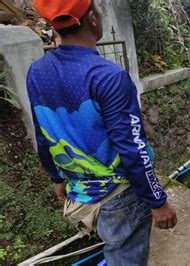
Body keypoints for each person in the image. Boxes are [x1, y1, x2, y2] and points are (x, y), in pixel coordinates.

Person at [27, 0, 177, 264]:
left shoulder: (37, 72)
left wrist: (57, 177)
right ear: (93, 19)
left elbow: (43, 133)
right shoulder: (107, 76)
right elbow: (132, 147)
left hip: (81, 191)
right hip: (121, 193)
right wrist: (157, 201)